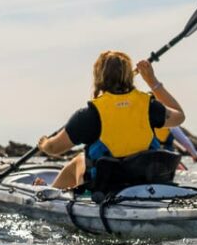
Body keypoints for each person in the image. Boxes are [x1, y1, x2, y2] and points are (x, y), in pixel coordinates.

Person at [37, 51, 185, 189]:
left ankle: (50, 194)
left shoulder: (89, 114)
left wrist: (43, 142)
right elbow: (179, 116)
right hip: (144, 185)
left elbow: (54, 149)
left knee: (79, 159)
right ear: (129, 76)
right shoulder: (149, 106)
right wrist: (152, 82)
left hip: (105, 188)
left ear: (98, 77)